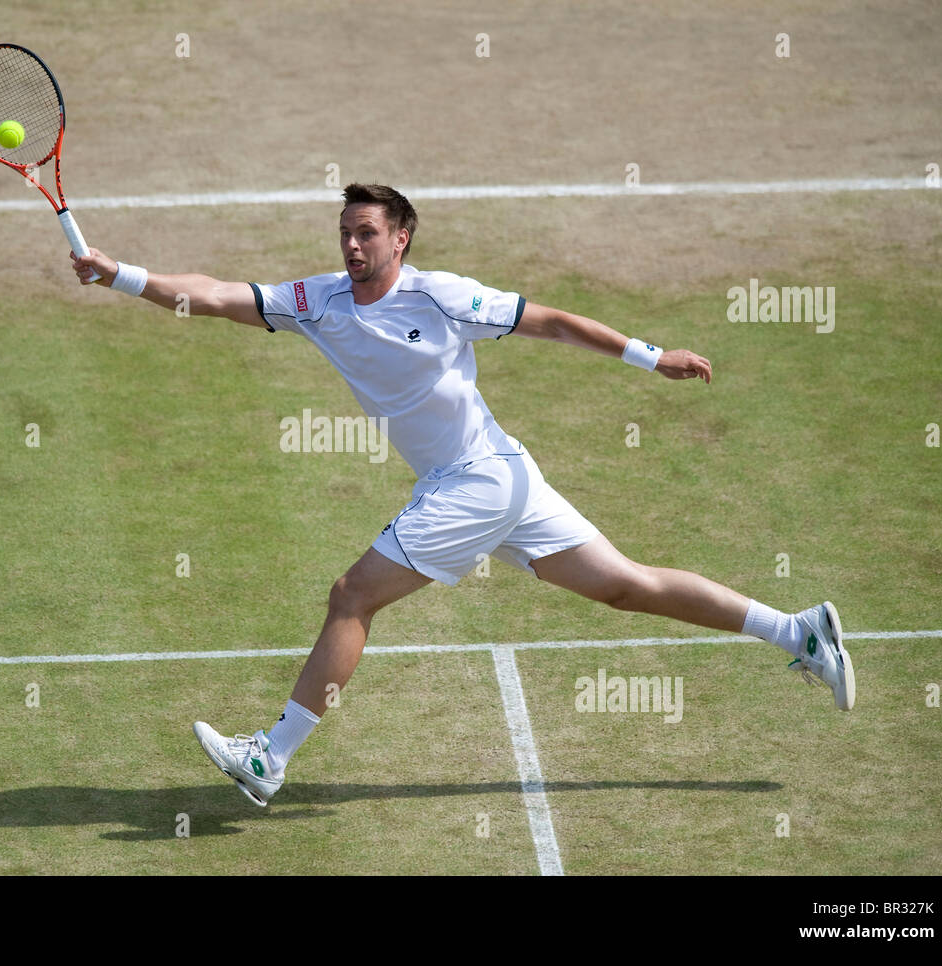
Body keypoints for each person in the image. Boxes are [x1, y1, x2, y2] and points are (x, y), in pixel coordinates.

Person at [71, 183, 855, 808]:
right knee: (627, 586)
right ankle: (799, 633)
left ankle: (268, 758)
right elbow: (210, 295)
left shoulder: (441, 296)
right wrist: (119, 275)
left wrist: (652, 358)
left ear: (399, 238)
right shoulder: (318, 303)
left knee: (351, 596)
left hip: (481, 480)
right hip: (498, 475)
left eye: (366, 232)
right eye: (345, 230)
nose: (351, 243)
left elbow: (547, 320)